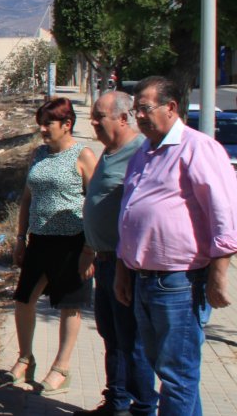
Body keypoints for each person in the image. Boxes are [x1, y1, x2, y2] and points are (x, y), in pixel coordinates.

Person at [116, 76, 237, 415]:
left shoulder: (198, 148)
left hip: (180, 282)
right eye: (135, 109)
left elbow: (224, 214)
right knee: (169, 373)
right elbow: (129, 216)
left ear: (171, 108)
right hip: (144, 279)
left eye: (145, 108)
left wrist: (219, 274)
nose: (138, 116)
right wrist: (124, 272)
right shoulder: (144, 152)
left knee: (178, 375)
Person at [8, 97, 98, 395]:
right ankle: (25, 357)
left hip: (73, 243)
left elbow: (98, 203)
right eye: (41, 124)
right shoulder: (39, 155)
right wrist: (21, 238)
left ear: (67, 124)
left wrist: (91, 249)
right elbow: (27, 198)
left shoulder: (82, 155)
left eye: (48, 124)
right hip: (39, 241)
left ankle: (61, 368)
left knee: (69, 305)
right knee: (24, 299)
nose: (43, 130)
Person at [75, 91, 156, 416]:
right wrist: (89, 249)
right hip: (104, 261)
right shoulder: (109, 152)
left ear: (124, 119)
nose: (92, 122)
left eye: (99, 117)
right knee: (111, 337)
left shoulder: (140, 153)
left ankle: (143, 407)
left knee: (132, 342)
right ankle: (116, 402)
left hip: (125, 266)